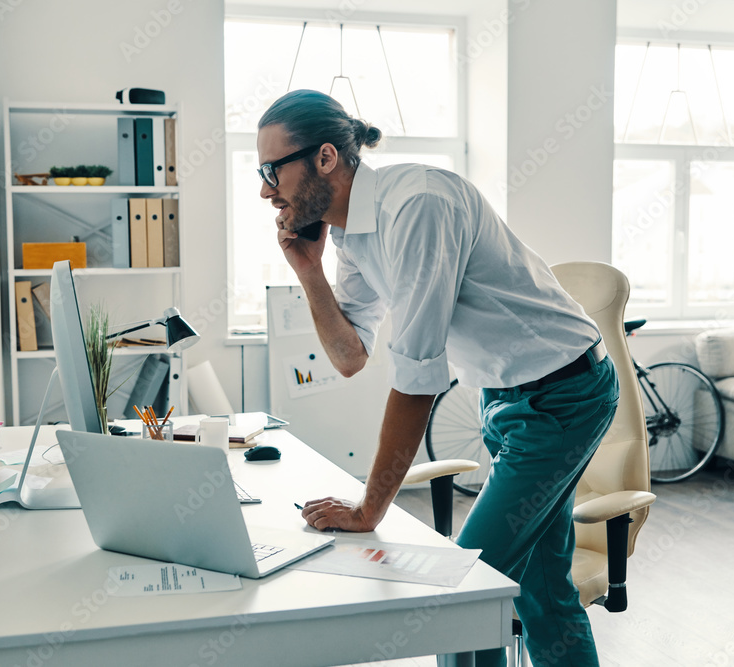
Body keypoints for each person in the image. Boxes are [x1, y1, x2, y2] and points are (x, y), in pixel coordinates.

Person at [256, 89, 619, 667]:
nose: (265, 190)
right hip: (507, 398)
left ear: (325, 158)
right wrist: (309, 271)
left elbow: (418, 378)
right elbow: (350, 355)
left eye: (272, 170)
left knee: (461, 594)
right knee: (546, 592)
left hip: (562, 396)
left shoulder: (419, 205)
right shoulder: (350, 231)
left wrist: (368, 509)